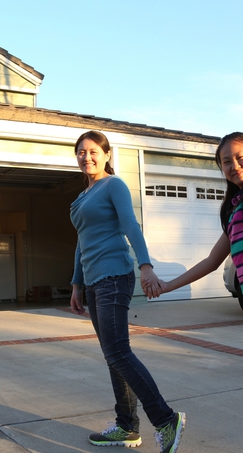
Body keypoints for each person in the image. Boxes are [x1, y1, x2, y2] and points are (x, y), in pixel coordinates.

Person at [149, 131, 243, 453]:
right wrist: (167, 286)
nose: (234, 165)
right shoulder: (237, 206)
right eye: (225, 162)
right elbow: (210, 261)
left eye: (240, 157)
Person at [69, 130, 185, 453]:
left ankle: (165, 419)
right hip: (93, 282)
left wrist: (145, 264)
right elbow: (81, 242)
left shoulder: (113, 185)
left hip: (115, 275)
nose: (86, 156)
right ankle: (126, 426)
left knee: (119, 352)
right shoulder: (80, 198)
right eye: (80, 152)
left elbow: (131, 225)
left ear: (106, 155)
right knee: (113, 356)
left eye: (93, 151)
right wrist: (76, 284)